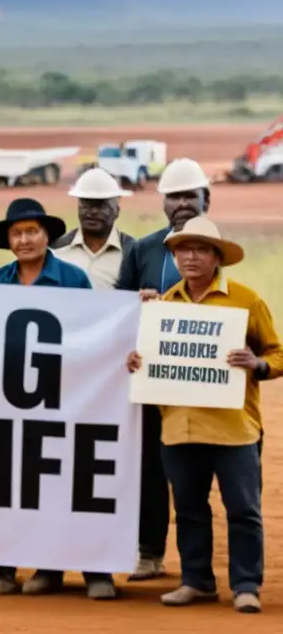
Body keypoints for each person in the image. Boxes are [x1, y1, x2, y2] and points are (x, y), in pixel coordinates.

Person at [126, 217, 282, 613]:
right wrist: (136, 361)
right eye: (183, 249)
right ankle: (197, 581)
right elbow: (148, 359)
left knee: (243, 509)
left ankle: (246, 585)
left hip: (235, 428)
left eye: (200, 249)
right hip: (179, 427)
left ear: (217, 258)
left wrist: (257, 364)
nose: (190, 256)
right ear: (174, 256)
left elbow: (277, 354)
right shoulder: (162, 307)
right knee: (190, 509)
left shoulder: (245, 300)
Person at [0, 198, 115, 600]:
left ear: (47, 236)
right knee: (6, 483)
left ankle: (86, 570)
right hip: (5, 402)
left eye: (32, 232)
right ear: (8, 241)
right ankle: (2, 566)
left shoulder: (73, 279)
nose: (25, 240)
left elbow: (96, 332)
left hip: (64, 397)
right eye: (17, 233)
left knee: (68, 481)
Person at [116, 157, 211, 581]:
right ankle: (149, 553)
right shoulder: (144, 249)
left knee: (198, 474)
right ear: (163, 204)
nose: (182, 204)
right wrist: (139, 300)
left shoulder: (224, 250)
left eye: (190, 195)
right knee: (151, 468)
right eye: (174, 196)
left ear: (207, 198)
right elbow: (118, 309)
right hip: (153, 380)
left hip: (206, 383)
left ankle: (198, 568)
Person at [52, 168, 135, 290]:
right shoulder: (57, 251)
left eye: (102, 205)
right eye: (86, 204)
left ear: (117, 211)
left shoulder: (133, 253)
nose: (93, 211)